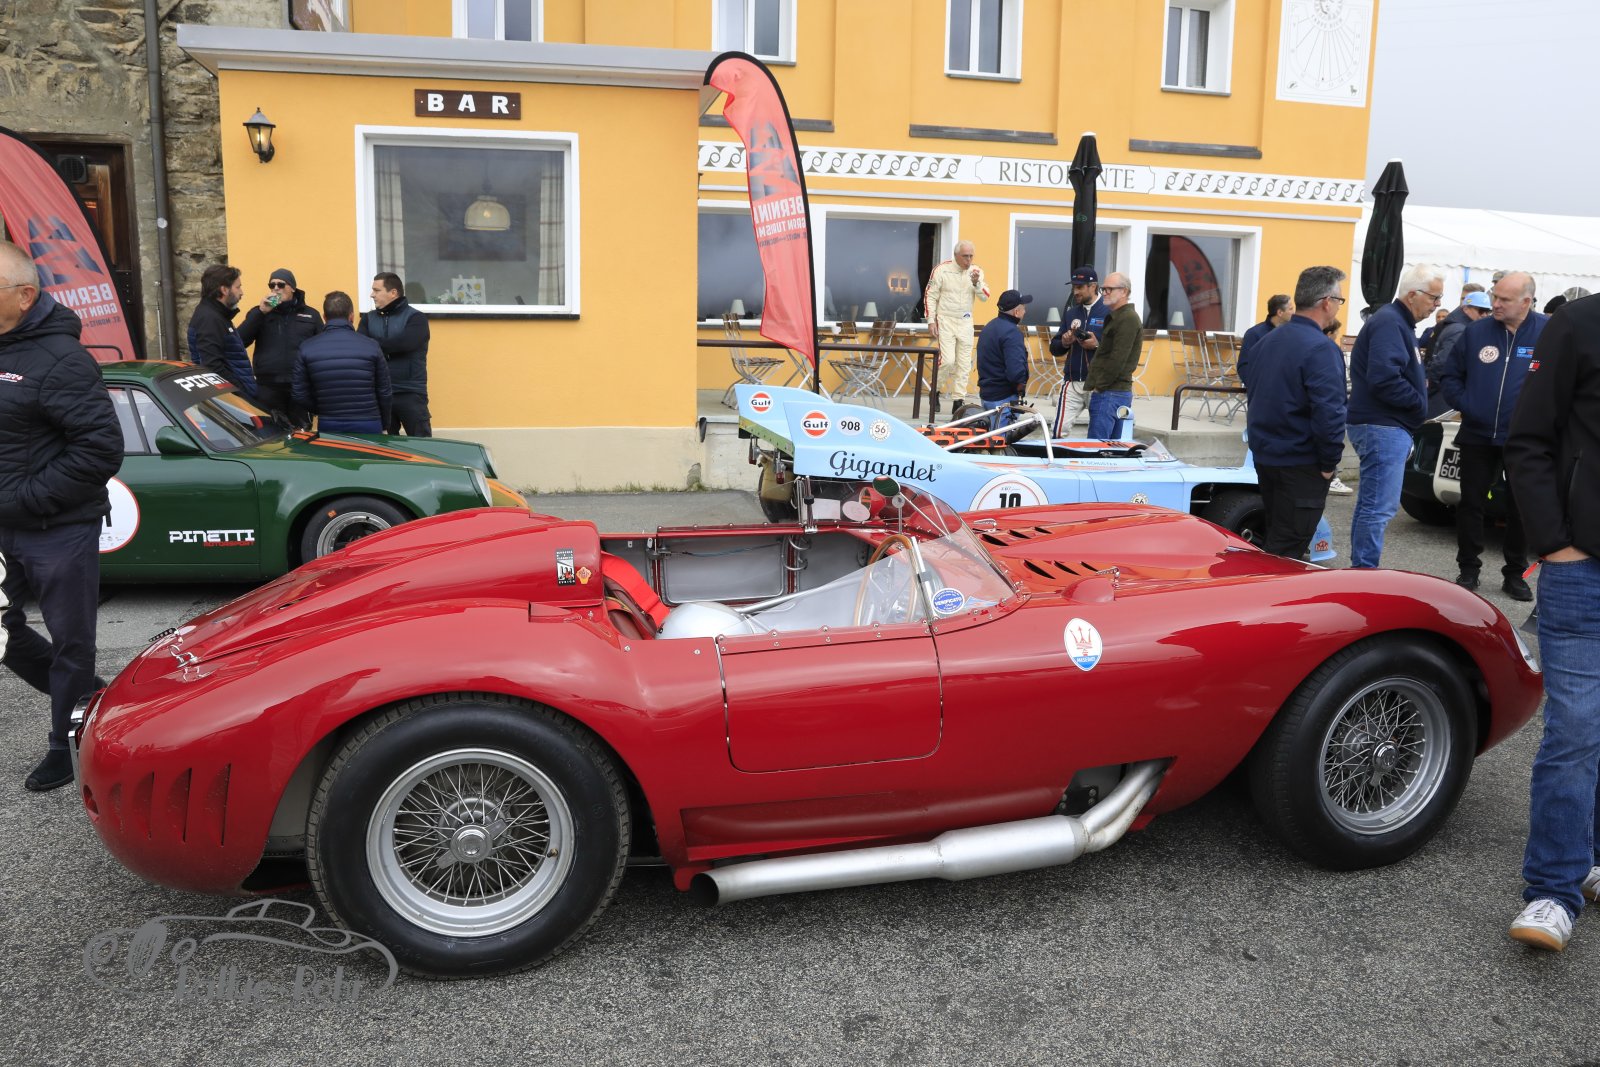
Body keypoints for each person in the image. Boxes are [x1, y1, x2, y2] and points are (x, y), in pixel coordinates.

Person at [0, 241, 123, 792]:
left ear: (25, 296)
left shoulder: (63, 360)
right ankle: (90, 696)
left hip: (58, 528)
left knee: (71, 641)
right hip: (5, 525)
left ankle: (65, 744)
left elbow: (100, 449)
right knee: (4, 635)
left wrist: (28, 498)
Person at [1502, 291, 1600, 952]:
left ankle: (1587, 859)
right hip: (1582, 569)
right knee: (1576, 730)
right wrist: (1556, 545)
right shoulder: (1580, 323)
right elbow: (1529, 439)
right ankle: (1554, 888)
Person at [1440, 271, 1547, 599]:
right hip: (1477, 434)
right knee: (1471, 504)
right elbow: (1449, 375)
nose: (1495, 304)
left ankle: (1514, 573)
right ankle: (1468, 569)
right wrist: (1468, 405)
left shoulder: (1548, 332)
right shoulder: (1477, 332)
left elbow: (1563, 381)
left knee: (1521, 507)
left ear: (1526, 302)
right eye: (1494, 296)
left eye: (1504, 299)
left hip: (1524, 439)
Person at [1240, 266, 1348, 559]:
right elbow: (1330, 413)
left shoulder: (1266, 341)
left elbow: (1257, 399)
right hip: (1301, 462)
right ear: (1326, 302)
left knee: (1277, 539)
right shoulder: (1321, 348)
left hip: (1268, 457)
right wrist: (1329, 463)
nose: (1339, 306)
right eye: (1339, 300)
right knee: (1287, 551)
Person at [1343, 264, 1441, 568]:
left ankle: (1361, 569)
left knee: (1372, 505)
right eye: (1433, 297)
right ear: (1413, 295)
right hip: (1382, 425)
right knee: (1379, 507)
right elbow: (1384, 378)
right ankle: (1364, 572)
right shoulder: (1390, 322)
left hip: (1381, 424)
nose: (1437, 304)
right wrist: (1417, 403)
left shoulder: (1397, 322)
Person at [292, 290, 393, 434]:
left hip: (329, 423)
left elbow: (299, 393)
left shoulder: (307, 347)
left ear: (324, 317)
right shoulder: (371, 346)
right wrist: (385, 423)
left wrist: (321, 410)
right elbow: (385, 391)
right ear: (351, 316)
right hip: (369, 422)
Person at [238, 267, 322, 425]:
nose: (276, 288)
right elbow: (239, 341)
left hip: (299, 385)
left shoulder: (311, 314)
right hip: (268, 387)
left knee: (301, 430)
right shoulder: (260, 313)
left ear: (293, 288)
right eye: (272, 285)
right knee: (270, 431)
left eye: (281, 284)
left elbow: (321, 348)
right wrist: (261, 312)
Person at [360, 272, 432, 436]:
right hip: (379, 392)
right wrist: (388, 345)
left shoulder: (417, 318)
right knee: (384, 446)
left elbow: (406, 343)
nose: (372, 295)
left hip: (410, 392)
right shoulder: (368, 318)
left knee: (422, 445)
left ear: (393, 293)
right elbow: (361, 346)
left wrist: (374, 343)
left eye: (377, 290)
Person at [922, 241, 989, 408]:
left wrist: (977, 283)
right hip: (945, 319)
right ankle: (935, 390)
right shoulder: (941, 270)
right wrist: (931, 320)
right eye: (965, 256)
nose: (969, 260)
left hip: (965, 321)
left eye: (971, 256)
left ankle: (958, 400)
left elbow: (985, 297)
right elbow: (930, 296)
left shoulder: (976, 271)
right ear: (956, 255)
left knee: (964, 363)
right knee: (948, 361)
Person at [1083, 273, 1142, 439]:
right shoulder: (1117, 317)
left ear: (1124, 291)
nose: (1104, 293)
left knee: (1097, 448)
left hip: (1111, 393)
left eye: (1109, 289)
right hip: (1111, 392)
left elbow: (1118, 359)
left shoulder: (1127, 318)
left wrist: (1100, 386)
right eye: (1104, 289)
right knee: (1109, 447)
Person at [1049, 265, 1107, 435]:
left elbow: (1119, 347)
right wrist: (1064, 342)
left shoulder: (1109, 311)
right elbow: (1054, 348)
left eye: (1080, 287)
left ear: (1093, 286)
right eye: (1074, 287)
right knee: (1058, 431)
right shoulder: (1071, 313)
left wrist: (1097, 345)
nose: (1075, 292)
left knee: (1098, 435)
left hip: (1098, 384)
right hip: (1072, 382)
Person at [186, 263, 258, 400]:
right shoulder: (209, 319)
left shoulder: (216, 315)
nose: (241, 292)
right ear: (224, 290)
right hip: (230, 401)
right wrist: (242, 397)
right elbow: (213, 366)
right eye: (238, 287)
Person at [1426, 289, 1491, 417]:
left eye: (1487, 311)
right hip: (1444, 393)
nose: (1484, 315)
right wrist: (1450, 391)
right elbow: (1442, 364)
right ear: (1466, 309)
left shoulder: (1460, 326)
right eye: (1481, 311)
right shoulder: (1460, 330)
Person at [975, 290, 1032, 430]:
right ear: (1016, 312)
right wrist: (1021, 383)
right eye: (1024, 308)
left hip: (987, 394)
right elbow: (1015, 371)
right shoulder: (1012, 332)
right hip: (1004, 398)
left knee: (990, 437)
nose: (1025, 311)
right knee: (1000, 440)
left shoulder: (989, 327)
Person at [1240, 294, 1293, 362]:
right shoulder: (1253, 334)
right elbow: (1244, 365)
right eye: (1290, 309)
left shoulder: (1292, 334)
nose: (1294, 312)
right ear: (1280, 312)